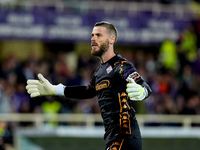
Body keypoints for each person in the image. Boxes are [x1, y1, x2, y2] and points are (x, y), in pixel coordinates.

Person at [26, 21, 152, 150]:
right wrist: (55, 89)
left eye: (98, 35)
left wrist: (142, 91)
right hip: (113, 138)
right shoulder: (99, 72)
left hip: (125, 136)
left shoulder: (121, 65)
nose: (93, 38)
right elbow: (87, 91)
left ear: (111, 39)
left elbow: (145, 86)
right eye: (92, 35)